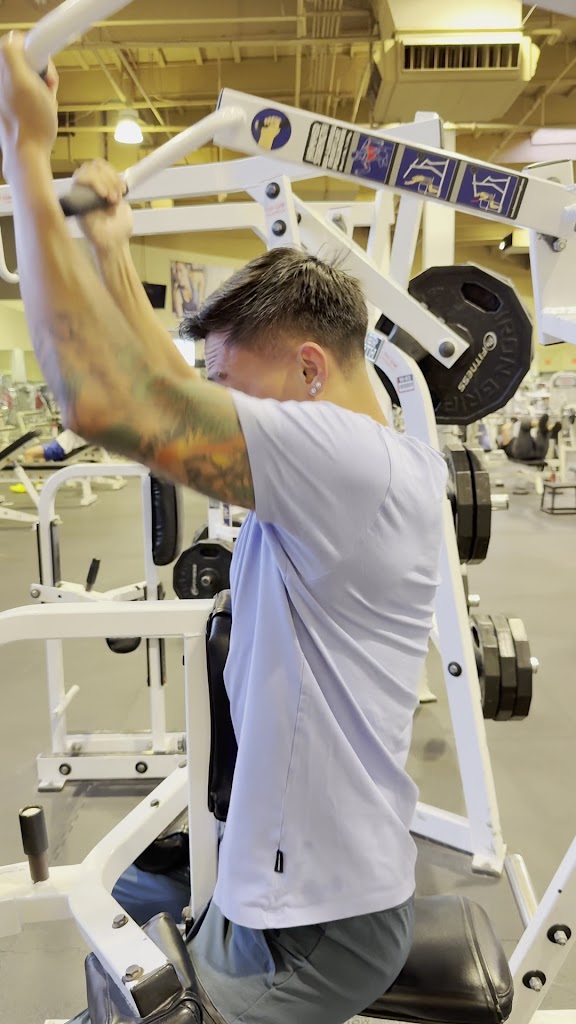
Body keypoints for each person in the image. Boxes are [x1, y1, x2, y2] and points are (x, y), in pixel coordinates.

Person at [0, 38, 447, 1024]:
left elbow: (102, 400)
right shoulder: (357, 457)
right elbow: (173, 382)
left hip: (317, 926)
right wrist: (112, 250)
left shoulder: (348, 462)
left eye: (236, 384)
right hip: (283, 888)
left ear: (309, 371)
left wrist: (23, 152)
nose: (221, 404)